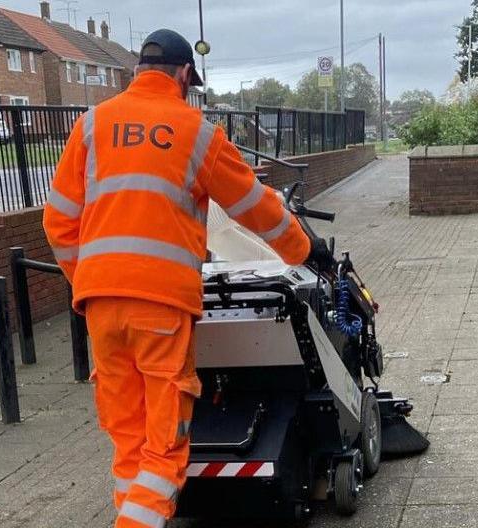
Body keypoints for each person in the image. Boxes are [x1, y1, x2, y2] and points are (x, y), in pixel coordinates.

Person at [43, 29, 326, 528]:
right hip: (160, 308)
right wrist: (306, 250)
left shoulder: (91, 126)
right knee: (164, 448)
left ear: (137, 72)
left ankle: (131, 516)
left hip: (100, 307)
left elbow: (59, 221)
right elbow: (253, 209)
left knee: (129, 443)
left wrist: (87, 278)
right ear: (182, 75)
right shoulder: (196, 131)